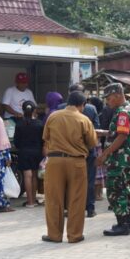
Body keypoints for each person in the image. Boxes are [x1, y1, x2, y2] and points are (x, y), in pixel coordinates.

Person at [41, 92, 97, 243]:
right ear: (82, 105)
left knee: (53, 199)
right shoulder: (84, 119)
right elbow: (92, 142)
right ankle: (74, 235)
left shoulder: (53, 117)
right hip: (77, 162)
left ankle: (54, 235)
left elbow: (46, 137)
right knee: (77, 199)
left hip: (54, 161)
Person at [99, 84, 130, 236]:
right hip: (125, 158)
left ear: (117, 95)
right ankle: (128, 221)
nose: (107, 101)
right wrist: (105, 133)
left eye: (109, 98)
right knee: (124, 189)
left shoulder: (123, 112)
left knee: (115, 191)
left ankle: (122, 225)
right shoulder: (129, 109)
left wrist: (105, 154)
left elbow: (122, 136)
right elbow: (120, 132)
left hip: (119, 159)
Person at [13, 101, 45, 207]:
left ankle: (29, 202)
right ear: (34, 110)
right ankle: (34, 200)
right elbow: (43, 140)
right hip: (37, 152)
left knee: (27, 175)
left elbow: (16, 142)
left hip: (24, 152)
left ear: (23, 110)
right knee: (34, 175)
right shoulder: (40, 123)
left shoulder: (19, 124)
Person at [82, 95, 101, 217]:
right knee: (90, 179)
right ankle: (90, 208)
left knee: (73, 181)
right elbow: (97, 128)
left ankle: (73, 208)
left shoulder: (60, 109)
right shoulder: (91, 108)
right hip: (89, 148)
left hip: (72, 152)